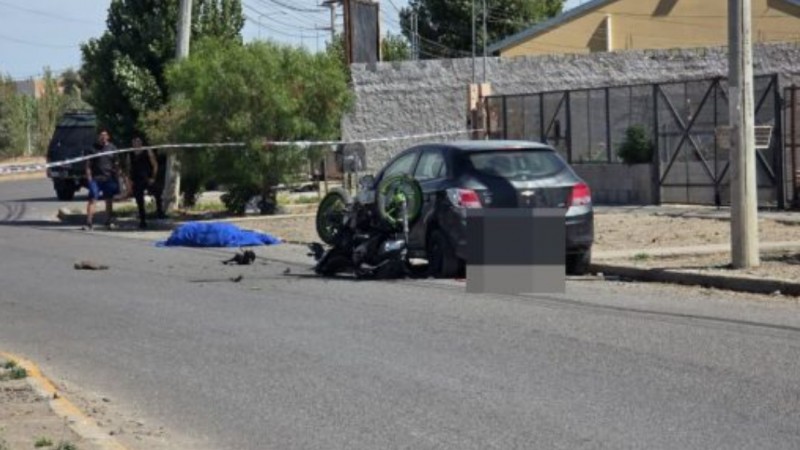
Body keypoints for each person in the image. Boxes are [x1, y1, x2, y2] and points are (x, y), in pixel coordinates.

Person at [83, 129, 121, 230]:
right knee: (93, 199)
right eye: (101, 135)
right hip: (95, 179)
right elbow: (87, 166)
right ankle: (89, 222)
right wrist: (89, 179)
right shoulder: (92, 149)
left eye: (105, 135)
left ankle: (108, 221)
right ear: (98, 136)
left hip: (108, 178)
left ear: (108, 136)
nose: (103, 137)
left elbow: (116, 165)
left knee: (109, 200)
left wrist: (117, 178)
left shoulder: (112, 148)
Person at [128, 135, 165, 229]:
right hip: (136, 180)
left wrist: (153, 177)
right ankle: (142, 221)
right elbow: (128, 167)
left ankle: (160, 212)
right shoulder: (130, 153)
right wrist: (128, 181)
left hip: (147, 178)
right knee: (139, 201)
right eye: (135, 141)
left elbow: (155, 164)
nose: (136, 143)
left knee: (157, 191)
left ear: (141, 142)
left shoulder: (147, 151)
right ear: (132, 143)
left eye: (138, 141)